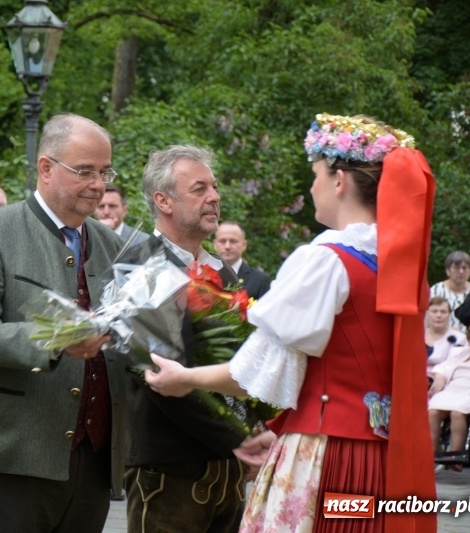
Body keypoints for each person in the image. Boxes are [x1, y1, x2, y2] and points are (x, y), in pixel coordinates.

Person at [145, 113, 437, 532]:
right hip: (380, 457)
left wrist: (186, 377)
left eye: (316, 174)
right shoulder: (396, 265)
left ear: (339, 181)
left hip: (328, 454)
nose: (313, 185)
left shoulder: (325, 259)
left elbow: (254, 374)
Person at [0, 113, 125, 532]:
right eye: (85, 171)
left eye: (104, 172)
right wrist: (55, 340)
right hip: (17, 454)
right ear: (46, 168)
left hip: (95, 457)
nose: (98, 184)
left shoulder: (112, 243)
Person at [118, 145, 247, 533]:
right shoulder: (141, 266)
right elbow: (160, 377)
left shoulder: (221, 271)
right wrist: (239, 439)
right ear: (163, 201)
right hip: (168, 469)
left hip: (229, 469)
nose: (214, 197)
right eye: (199, 189)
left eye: (215, 187)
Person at [428, 321, 470, 471]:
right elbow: (443, 367)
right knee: (433, 411)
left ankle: (456, 455)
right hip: (452, 390)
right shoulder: (460, 353)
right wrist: (440, 376)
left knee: (457, 412)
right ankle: (432, 452)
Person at [213, 221, 271, 299]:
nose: (227, 246)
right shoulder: (203, 276)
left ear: (244, 245)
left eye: (233, 241)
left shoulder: (260, 280)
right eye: (222, 241)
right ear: (215, 244)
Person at [430, 250, 470, 331]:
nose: (461, 271)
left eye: (465, 268)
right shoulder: (436, 290)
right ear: (447, 270)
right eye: (456, 267)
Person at [425, 296, 466, 377]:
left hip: (446, 380)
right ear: (427, 313)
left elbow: (461, 367)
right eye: (434, 311)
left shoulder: (460, 338)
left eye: (443, 312)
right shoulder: (417, 336)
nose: (439, 315)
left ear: (449, 315)